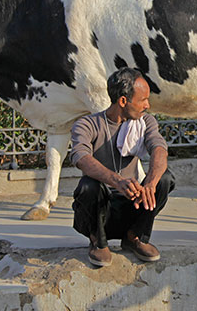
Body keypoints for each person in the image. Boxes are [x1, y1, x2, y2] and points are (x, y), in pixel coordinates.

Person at [70, 68, 174, 267]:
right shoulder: (87, 124)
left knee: (165, 178)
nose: (147, 105)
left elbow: (159, 149)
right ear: (123, 101)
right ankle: (98, 242)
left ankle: (135, 237)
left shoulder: (145, 122)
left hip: (132, 206)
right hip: (100, 210)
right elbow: (81, 157)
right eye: (142, 100)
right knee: (88, 185)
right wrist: (117, 181)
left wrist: (150, 184)